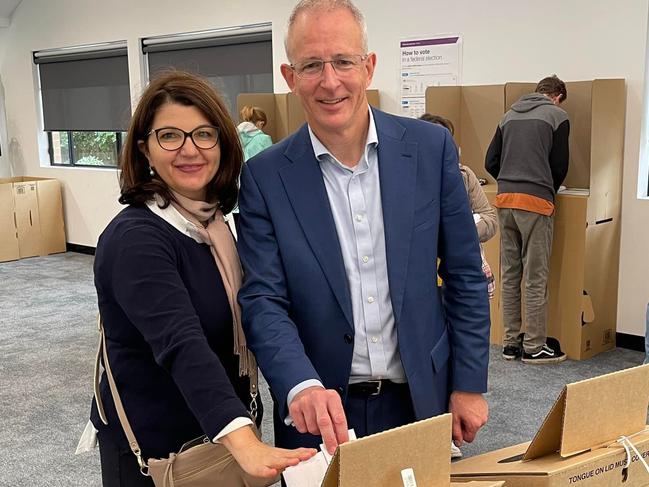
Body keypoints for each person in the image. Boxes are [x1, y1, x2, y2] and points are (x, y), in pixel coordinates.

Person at [237, 0, 490, 455]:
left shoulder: (430, 151)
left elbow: (465, 274)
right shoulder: (265, 176)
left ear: (368, 66)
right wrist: (299, 385)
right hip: (319, 411)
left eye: (343, 61)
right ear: (290, 77)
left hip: (419, 400)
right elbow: (263, 298)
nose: (330, 80)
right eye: (311, 64)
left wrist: (469, 382)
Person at [90, 71, 314, 486]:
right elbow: (182, 344)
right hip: (165, 455)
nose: (190, 150)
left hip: (217, 439)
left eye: (204, 134)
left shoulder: (211, 225)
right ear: (145, 149)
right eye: (170, 136)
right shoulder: (137, 239)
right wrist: (243, 441)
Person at [485, 75, 570, 364]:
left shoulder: (508, 116)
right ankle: (534, 346)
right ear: (557, 96)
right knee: (536, 277)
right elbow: (560, 165)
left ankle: (511, 343)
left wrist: (512, 183)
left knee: (511, 274)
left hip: (505, 200)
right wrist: (545, 187)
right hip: (536, 203)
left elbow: (490, 161)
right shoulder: (557, 115)